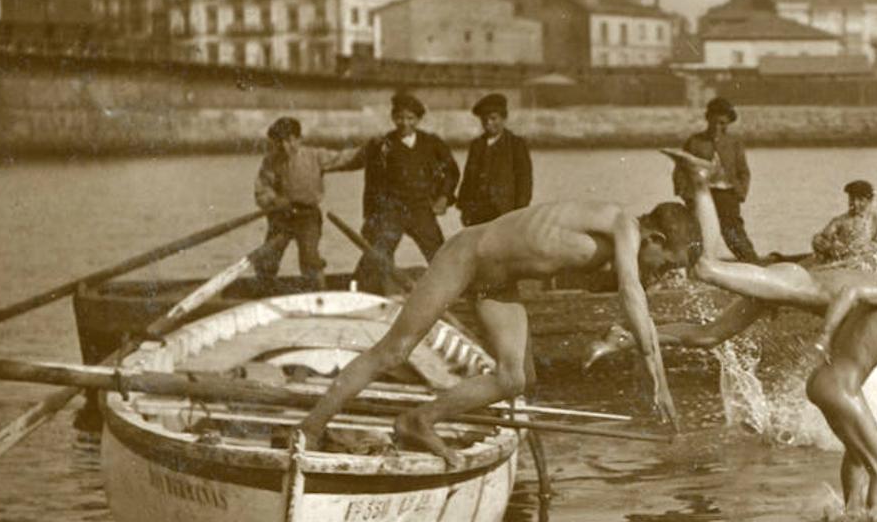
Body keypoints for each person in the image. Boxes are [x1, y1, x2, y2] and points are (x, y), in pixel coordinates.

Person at [596, 150, 877, 515]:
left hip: (791, 290)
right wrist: (825, 335)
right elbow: (849, 295)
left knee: (710, 335)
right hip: (791, 284)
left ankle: (627, 335)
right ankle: (701, 184)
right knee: (703, 268)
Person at [297, 199, 702, 464]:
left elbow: (621, 294)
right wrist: (659, 382)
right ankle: (309, 430)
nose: (661, 272)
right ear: (655, 238)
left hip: (498, 285)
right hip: (467, 256)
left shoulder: (615, 244)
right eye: (665, 262)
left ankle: (417, 421)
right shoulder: (622, 227)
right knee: (395, 351)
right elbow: (631, 295)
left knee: (515, 379)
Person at [352, 92, 461, 294]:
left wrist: (444, 197)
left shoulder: (432, 143)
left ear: (418, 120)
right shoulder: (383, 145)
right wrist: (370, 217)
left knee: (438, 252)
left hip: (421, 209)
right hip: (392, 211)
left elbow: (451, 172)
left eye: (410, 118)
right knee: (378, 252)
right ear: (393, 118)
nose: (404, 123)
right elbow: (372, 184)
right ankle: (361, 292)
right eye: (400, 117)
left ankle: (452, 293)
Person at [252, 116, 364, 288]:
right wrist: (274, 200)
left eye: (289, 141)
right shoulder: (270, 162)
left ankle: (319, 291)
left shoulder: (315, 156)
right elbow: (262, 190)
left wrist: (371, 150)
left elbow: (345, 158)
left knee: (310, 257)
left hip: (308, 217)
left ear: (299, 139)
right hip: (280, 217)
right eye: (279, 142)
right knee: (268, 257)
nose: (284, 146)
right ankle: (264, 290)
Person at [672, 97, 759, 263]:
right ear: (708, 118)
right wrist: (687, 195)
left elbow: (743, 172)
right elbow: (680, 170)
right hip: (700, 196)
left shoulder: (735, 143)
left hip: (727, 194)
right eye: (717, 122)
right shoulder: (694, 141)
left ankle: (753, 264)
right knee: (696, 235)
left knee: (733, 232)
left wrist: (740, 193)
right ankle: (694, 266)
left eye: (724, 124)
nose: (720, 127)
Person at [456, 93, 533, 227]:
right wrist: (464, 208)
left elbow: (524, 180)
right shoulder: (476, 145)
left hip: (504, 211)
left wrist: (520, 211)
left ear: (504, 118)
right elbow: (468, 178)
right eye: (484, 120)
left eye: (493, 118)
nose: (488, 123)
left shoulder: (516, 144)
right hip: (477, 212)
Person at [811, 179, 877, 266]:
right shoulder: (840, 221)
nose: (855, 203)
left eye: (861, 200)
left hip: (864, 262)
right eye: (852, 199)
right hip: (842, 262)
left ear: (870, 201)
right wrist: (831, 247)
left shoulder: (874, 220)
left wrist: (867, 249)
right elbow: (819, 240)